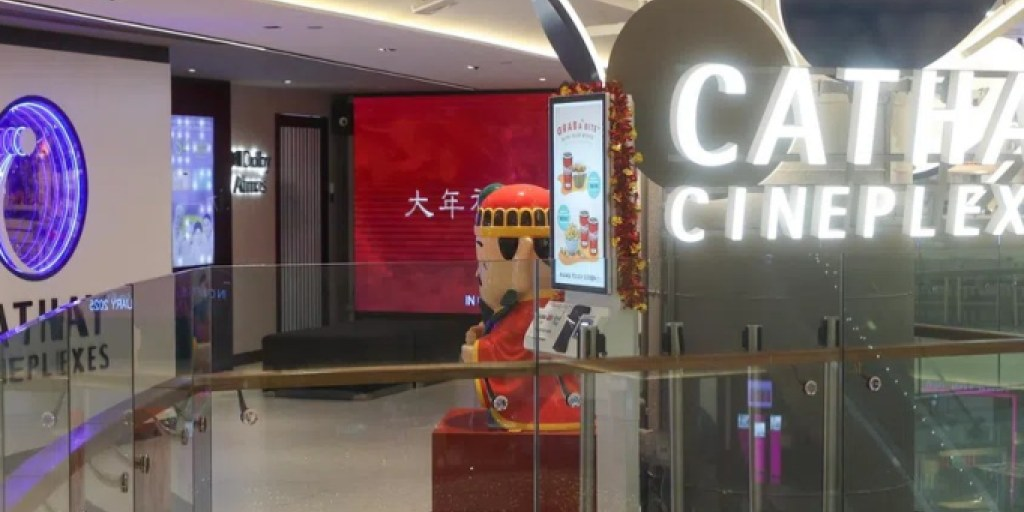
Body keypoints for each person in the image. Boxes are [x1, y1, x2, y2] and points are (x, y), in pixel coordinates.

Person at [461, 183, 580, 431]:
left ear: (521, 260)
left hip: (536, 407)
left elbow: (500, 350)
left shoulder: (527, 315)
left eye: (484, 264)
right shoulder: (555, 305)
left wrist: (474, 349)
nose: (478, 273)